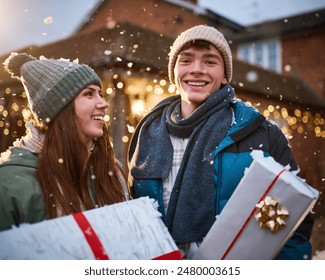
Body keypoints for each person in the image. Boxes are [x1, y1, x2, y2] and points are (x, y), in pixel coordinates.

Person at [128, 25, 314, 259]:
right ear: (173, 71)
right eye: (186, 60)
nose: (196, 70)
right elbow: (135, 215)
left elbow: (294, 220)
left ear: (225, 75)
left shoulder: (260, 132)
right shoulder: (146, 133)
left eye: (210, 62)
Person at [0, 53, 130, 231]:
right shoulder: (10, 184)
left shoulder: (110, 171)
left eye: (100, 93)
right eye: (89, 94)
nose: (103, 103)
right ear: (60, 109)